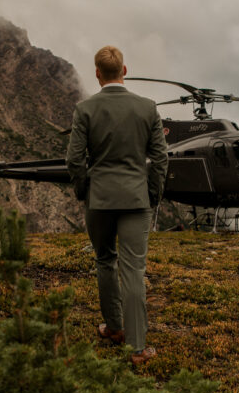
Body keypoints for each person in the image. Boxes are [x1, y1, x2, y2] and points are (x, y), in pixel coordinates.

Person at [66, 46, 168, 365]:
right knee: (134, 269)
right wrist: (152, 196)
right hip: (136, 199)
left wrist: (86, 192)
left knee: (104, 260)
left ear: (97, 74)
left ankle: (113, 327)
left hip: (100, 199)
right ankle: (138, 348)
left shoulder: (85, 109)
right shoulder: (147, 108)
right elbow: (161, 158)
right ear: (125, 70)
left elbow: (74, 159)